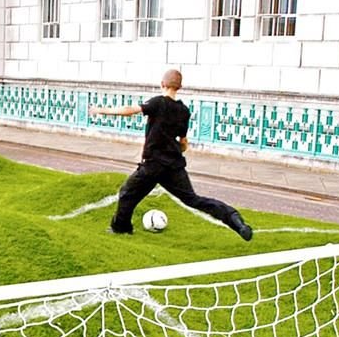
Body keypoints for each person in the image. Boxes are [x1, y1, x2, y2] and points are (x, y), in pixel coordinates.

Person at [88, 68, 253, 241]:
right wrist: (176, 150)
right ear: (179, 87)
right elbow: (183, 142)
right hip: (174, 166)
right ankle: (236, 221)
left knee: (127, 193)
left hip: (152, 165)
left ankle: (121, 229)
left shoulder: (158, 102)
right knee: (194, 200)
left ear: (162, 84)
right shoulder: (184, 111)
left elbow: (130, 110)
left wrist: (100, 110)